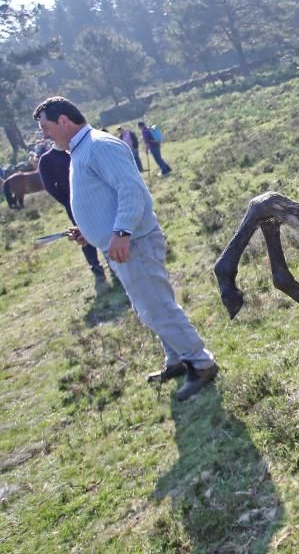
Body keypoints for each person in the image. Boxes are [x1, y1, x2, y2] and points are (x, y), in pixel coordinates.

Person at [34, 97, 219, 400]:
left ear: (64, 121)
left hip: (133, 243)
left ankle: (201, 363)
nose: (44, 135)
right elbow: (106, 196)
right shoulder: (82, 150)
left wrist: (121, 231)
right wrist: (91, 230)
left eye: (46, 127)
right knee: (149, 307)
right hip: (123, 245)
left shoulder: (99, 146)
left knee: (158, 307)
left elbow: (132, 190)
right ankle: (176, 359)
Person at [37, 146, 108, 287]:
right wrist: (68, 201)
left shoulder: (79, 148)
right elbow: (50, 187)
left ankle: (114, 262)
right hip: (74, 204)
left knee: (105, 228)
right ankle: (96, 268)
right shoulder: (46, 160)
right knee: (83, 234)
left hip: (96, 198)